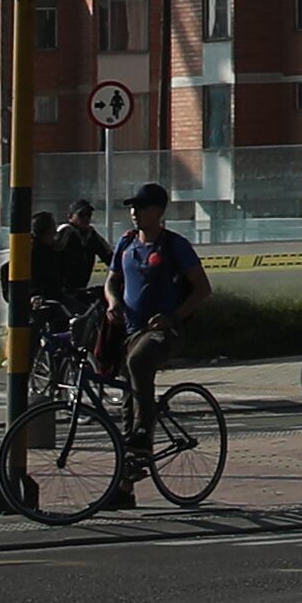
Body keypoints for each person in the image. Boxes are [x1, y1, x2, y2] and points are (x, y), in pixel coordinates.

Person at [93, 185, 207, 511]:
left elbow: (202, 288)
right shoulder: (127, 243)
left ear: (158, 211)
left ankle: (145, 429)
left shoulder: (175, 246)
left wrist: (172, 317)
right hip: (127, 332)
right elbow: (112, 280)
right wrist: (113, 302)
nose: (134, 212)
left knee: (141, 362)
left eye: (141, 207)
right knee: (128, 410)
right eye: (132, 207)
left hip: (162, 333)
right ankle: (125, 489)